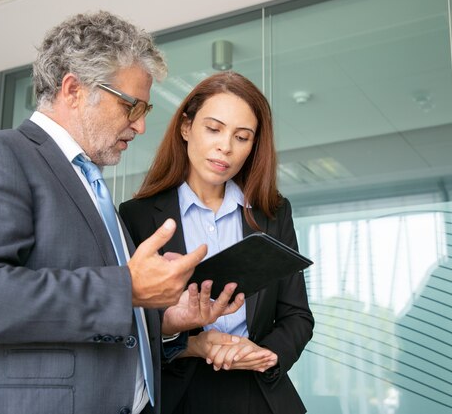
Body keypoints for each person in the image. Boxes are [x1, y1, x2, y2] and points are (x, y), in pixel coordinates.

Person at [0, 11, 242, 414]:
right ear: (74, 90)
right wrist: (128, 288)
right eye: (132, 106)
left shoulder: (91, 185)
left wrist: (162, 320)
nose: (140, 127)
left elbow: (94, 316)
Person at [119, 71, 314, 414]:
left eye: (242, 137)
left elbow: (297, 316)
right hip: (178, 395)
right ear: (185, 128)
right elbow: (130, 323)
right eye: (213, 129)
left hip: (260, 395)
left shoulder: (273, 213)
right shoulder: (138, 217)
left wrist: (265, 353)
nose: (226, 146)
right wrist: (192, 344)